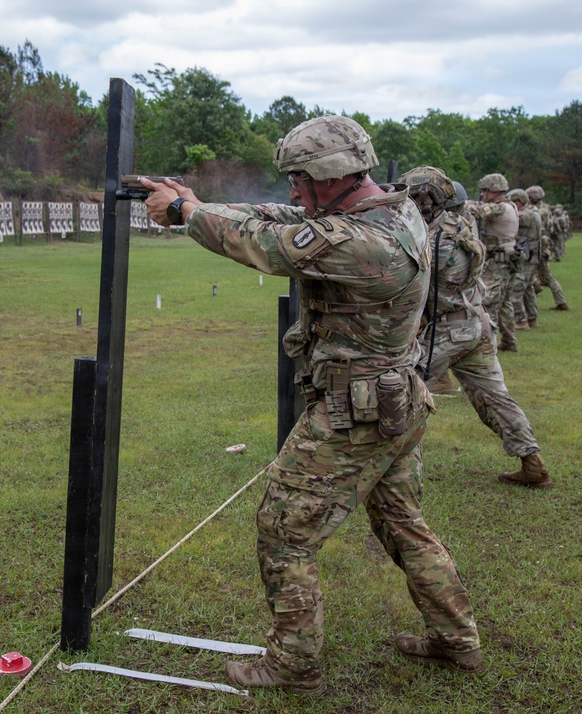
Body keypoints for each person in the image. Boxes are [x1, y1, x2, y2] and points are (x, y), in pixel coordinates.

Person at [142, 116, 482, 695]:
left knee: (284, 529)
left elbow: (270, 242)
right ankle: (457, 638)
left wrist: (184, 215)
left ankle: (294, 664)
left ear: (330, 175)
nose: (293, 190)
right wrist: (196, 200)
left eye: (299, 177)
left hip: (358, 411)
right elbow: (285, 218)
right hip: (392, 403)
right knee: (403, 525)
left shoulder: (365, 242)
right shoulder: (391, 213)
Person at [404, 167, 550, 491]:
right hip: (476, 326)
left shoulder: (436, 240)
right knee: (495, 401)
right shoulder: (462, 226)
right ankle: (532, 462)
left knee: (397, 387)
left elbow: (418, 291)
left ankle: (389, 471)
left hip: (449, 330)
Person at [467, 173, 519, 351]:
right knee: (505, 304)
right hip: (507, 261)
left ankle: (489, 346)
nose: (482, 195)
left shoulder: (500, 208)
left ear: (495, 191)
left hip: (499, 262)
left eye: (485, 191)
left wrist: (462, 203)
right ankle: (509, 341)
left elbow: (477, 211)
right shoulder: (510, 205)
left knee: (489, 304)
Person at [526, 187, 568, 311]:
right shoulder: (546, 208)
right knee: (537, 274)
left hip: (538, 245)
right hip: (542, 244)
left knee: (540, 275)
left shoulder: (537, 210)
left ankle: (559, 301)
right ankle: (537, 287)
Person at [506, 189, 540, 330]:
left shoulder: (524, 216)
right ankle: (532, 318)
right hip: (532, 256)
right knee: (528, 288)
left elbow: (515, 231)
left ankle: (521, 320)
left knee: (517, 289)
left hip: (527, 257)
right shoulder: (534, 212)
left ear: (518, 202)